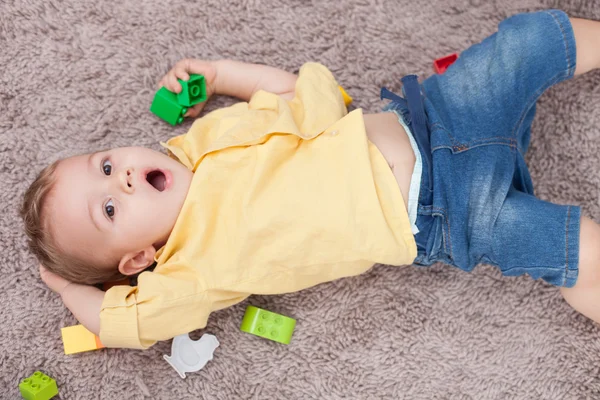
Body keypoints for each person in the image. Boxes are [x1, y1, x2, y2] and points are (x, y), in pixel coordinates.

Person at [21, 9, 600, 350]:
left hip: (437, 114)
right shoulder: (189, 269)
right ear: (137, 260)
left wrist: (222, 72)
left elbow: (295, 95)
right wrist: (73, 291)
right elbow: (129, 325)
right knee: (576, 250)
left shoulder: (200, 145)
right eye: (110, 211)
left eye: (103, 165)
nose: (119, 179)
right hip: (450, 211)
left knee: (530, 39)